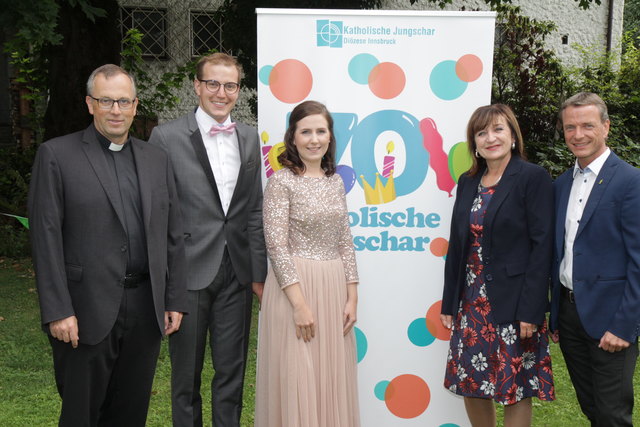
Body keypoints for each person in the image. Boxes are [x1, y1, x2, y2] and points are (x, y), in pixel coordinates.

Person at [28, 64, 188, 426]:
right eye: (106, 101)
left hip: (145, 309)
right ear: (90, 104)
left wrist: (174, 297)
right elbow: (45, 237)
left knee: (131, 412)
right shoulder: (57, 155)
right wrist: (57, 309)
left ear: (135, 105)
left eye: (124, 102)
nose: (116, 110)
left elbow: (173, 233)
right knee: (81, 414)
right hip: (85, 310)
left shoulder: (156, 159)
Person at [148, 52, 267, 427]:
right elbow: (157, 214)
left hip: (237, 274)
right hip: (188, 275)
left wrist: (258, 273)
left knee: (232, 375)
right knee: (186, 380)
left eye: (229, 85)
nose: (221, 92)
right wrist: (168, 282)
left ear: (238, 90)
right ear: (197, 86)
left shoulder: (249, 138)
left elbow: (253, 211)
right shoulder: (165, 137)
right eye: (212, 83)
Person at [440, 104, 555, 426]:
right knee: (472, 382)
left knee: (514, 385)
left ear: (513, 135)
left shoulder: (533, 178)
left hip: (513, 302)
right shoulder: (468, 181)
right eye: (482, 132)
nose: (491, 138)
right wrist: (450, 302)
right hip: (470, 301)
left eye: (498, 129)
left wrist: (531, 310)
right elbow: (458, 244)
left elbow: (541, 247)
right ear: (474, 143)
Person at [254, 100, 360, 427]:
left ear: (330, 137)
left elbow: (344, 238)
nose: (314, 139)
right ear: (293, 137)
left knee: (329, 376)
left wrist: (353, 295)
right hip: (293, 291)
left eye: (320, 131)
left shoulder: (336, 182)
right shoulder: (281, 182)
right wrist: (299, 304)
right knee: (298, 375)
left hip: (332, 289)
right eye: (306, 131)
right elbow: (276, 245)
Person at [549, 92, 640, 426]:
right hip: (571, 315)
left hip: (610, 317)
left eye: (587, 125)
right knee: (592, 408)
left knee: (612, 414)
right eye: (570, 127)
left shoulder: (631, 182)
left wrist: (624, 325)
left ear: (606, 127)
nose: (578, 135)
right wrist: (556, 315)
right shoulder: (560, 185)